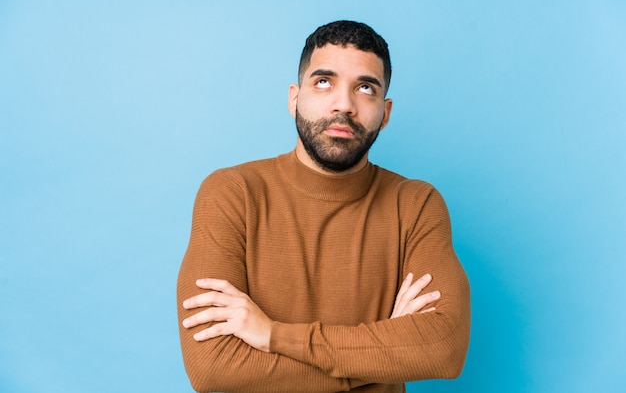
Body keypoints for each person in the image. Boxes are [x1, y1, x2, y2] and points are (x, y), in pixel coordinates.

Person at [177, 20, 470, 393]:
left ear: (386, 112)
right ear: (294, 98)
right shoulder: (233, 193)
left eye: (365, 88)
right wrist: (384, 355)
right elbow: (213, 368)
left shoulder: (415, 204)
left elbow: (442, 349)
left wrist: (273, 336)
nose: (344, 105)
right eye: (323, 82)